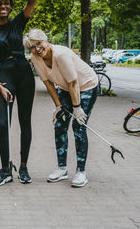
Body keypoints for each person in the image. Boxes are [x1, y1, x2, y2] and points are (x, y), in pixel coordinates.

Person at [23, 28, 98, 187]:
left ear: (45, 40)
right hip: (64, 88)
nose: (37, 49)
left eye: (38, 44)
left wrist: (77, 108)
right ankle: (62, 169)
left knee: (78, 126)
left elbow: (73, 82)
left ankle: (81, 172)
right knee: (60, 124)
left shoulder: (61, 54)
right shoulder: (36, 58)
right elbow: (48, 83)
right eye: (32, 47)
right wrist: (58, 107)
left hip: (86, 86)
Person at [0, 0, 38, 186]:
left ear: (11, 7)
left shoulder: (17, 23)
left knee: (25, 121)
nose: (3, 6)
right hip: (5, 75)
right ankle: (5, 170)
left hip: (24, 73)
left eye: (6, 3)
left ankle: (23, 167)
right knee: (4, 123)